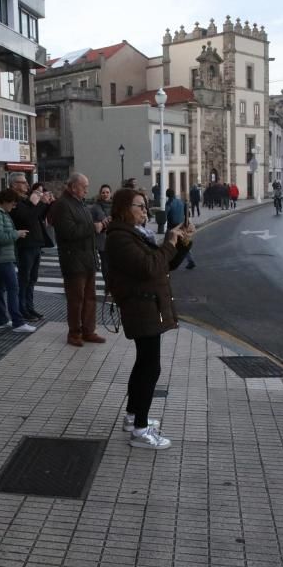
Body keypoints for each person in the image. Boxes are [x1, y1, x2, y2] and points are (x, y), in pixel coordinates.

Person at [105, 189, 193, 450]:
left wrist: (184, 242)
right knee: (150, 368)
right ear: (124, 208)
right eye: (140, 206)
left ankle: (134, 418)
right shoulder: (119, 238)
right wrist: (169, 242)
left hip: (147, 306)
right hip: (140, 307)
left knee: (144, 364)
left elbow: (164, 264)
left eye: (146, 206)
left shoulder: (135, 234)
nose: (145, 211)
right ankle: (140, 431)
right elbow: (149, 267)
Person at [48, 173, 105, 347]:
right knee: (76, 299)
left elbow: (84, 229)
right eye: (84, 186)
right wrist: (93, 227)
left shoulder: (80, 203)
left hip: (87, 258)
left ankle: (88, 331)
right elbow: (68, 232)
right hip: (73, 260)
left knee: (90, 298)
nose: (87, 190)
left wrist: (98, 228)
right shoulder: (62, 205)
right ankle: (74, 333)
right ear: (73, 187)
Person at [0, 188, 36, 333]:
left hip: (2, 256)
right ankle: (18, 322)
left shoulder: (2, 214)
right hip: (0, 257)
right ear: (5, 201)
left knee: (0, 288)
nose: (13, 207)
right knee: (14, 287)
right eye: (12, 204)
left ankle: (1, 320)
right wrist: (16, 234)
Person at [8, 174, 53, 322]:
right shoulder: (14, 201)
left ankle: (29, 306)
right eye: (23, 182)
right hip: (25, 245)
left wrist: (47, 203)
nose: (27, 184)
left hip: (35, 243)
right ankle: (22, 309)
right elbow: (27, 218)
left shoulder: (25, 199)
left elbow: (38, 216)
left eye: (27, 182)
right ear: (14, 184)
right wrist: (38, 204)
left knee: (32, 278)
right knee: (24, 279)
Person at [88, 184, 113, 289]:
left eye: (107, 192)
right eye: (103, 192)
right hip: (101, 238)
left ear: (110, 193)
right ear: (100, 194)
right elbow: (90, 221)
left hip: (113, 237)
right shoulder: (95, 207)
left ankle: (111, 284)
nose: (105, 194)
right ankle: (108, 285)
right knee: (105, 263)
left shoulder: (114, 206)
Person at [165, 189, 196, 269]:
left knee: (168, 243)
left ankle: (165, 261)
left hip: (172, 227)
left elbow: (166, 214)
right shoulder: (180, 201)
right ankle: (190, 260)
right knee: (183, 244)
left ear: (167, 195)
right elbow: (187, 212)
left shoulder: (169, 203)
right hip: (181, 226)